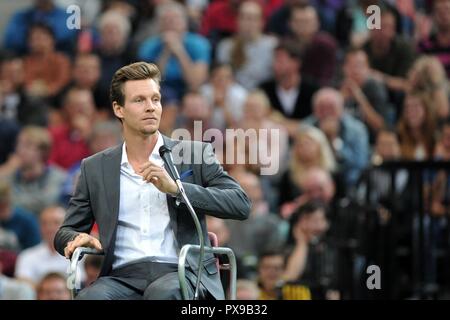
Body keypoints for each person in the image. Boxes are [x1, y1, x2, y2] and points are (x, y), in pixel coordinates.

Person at [54, 61, 251, 300]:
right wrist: (75, 237)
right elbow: (65, 231)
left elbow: (240, 204)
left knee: (163, 293)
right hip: (120, 276)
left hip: (181, 272)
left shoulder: (193, 154)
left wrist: (177, 189)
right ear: (119, 109)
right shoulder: (95, 167)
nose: (151, 108)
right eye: (139, 100)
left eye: (155, 99)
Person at [0, 126, 67, 216]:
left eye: (27, 146)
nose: (20, 150)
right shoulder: (10, 174)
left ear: (42, 151)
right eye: (19, 144)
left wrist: (12, 203)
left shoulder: (58, 176)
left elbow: (46, 202)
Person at [15, 206, 69, 285]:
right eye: (44, 223)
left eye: (56, 222)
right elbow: (23, 285)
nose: (50, 228)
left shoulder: (79, 255)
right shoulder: (26, 256)